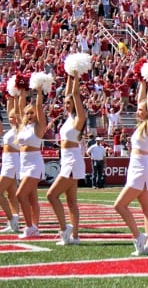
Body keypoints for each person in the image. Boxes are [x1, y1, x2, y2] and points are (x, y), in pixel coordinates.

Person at [113, 78, 148, 256]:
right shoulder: (141, 125)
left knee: (119, 205)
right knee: (147, 210)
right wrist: (143, 80)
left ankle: (139, 237)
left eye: (141, 110)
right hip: (138, 166)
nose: (137, 112)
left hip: (141, 167)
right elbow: (142, 99)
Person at [47, 72, 87, 246]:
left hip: (72, 161)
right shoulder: (69, 119)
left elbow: (75, 94)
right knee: (71, 202)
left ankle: (65, 230)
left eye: (69, 103)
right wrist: (70, 75)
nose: (67, 105)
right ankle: (75, 237)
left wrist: (76, 75)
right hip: (67, 160)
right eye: (65, 103)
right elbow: (69, 93)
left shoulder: (79, 120)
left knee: (51, 195)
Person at [16, 86, 47, 239]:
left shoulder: (38, 128)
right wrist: (20, 90)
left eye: (31, 113)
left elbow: (39, 107)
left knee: (20, 195)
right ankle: (36, 227)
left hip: (34, 163)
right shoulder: (24, 126)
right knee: (32, 198)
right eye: (27, 113)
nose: (29, 115)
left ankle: (29, 227)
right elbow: (19, 107)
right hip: (23, 163)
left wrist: (39, 92)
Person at [0, 94, 20, 233]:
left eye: (14, 117)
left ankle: (11, 219)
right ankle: (14, 223)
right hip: (7, 160)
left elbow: (17, 110)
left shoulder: (20, 129)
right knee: (12, 195)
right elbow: (10, 110)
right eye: (10, 117)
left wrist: (19, 96)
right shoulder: (12, 129)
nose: (11, 118)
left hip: (12, 161)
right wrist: (10, 96)